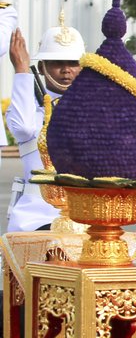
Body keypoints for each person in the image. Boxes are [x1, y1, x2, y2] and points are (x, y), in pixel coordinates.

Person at [6, 12, 85, 232]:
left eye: (73, 63)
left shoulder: (93, 108)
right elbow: (23, 128)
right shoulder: (29, 108)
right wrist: (21, 70)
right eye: (56, 63)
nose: (65, 70)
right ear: (41, 68)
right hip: (36, 218)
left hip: (84, 216)